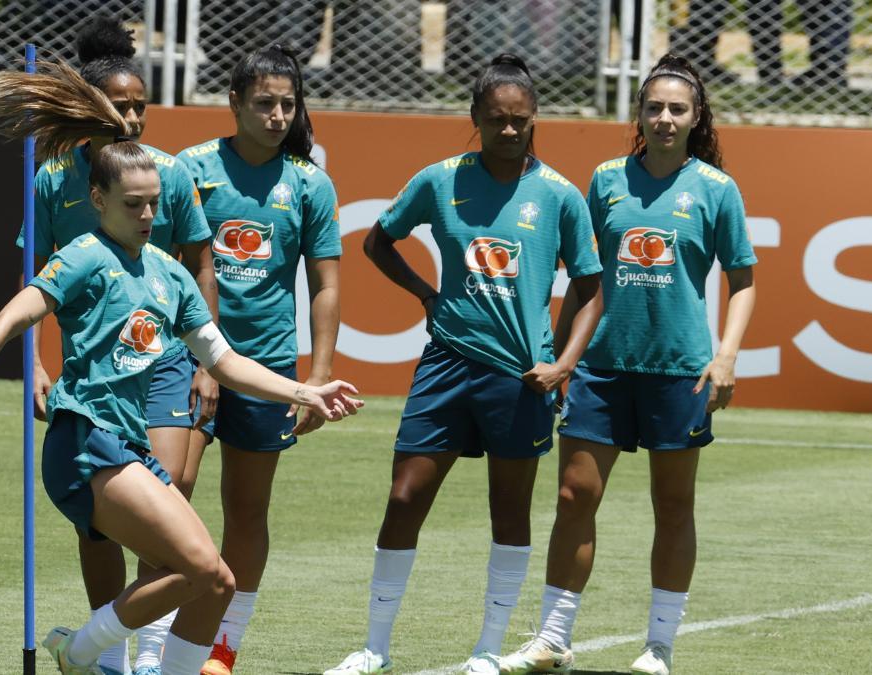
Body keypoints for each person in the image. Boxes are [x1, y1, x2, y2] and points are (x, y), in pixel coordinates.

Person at [0, 64, 364, 675]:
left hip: (131, 448)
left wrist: (305, 388)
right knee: (198, 567)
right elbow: (9, 318)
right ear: (100, 200)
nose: (146, 216)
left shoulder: (169, 271)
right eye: (132, 204)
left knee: (213, 579)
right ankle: (85, 653)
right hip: (86, 443)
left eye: (154, 205)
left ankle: (95, 655)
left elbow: (225, 361)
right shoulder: (83, 256)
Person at [324, 53, 604, 675]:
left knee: (509, 510)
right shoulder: (440, 178)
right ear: (474, 118)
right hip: (446, 363)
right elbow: (378, 241)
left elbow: (591, 288)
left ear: (535, 120)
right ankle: (374, 647)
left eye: (520, 121)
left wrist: (564, 364)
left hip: (520, 376)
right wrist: (427, 295)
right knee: (404, 496)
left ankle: (487, 649)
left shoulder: (559, 194)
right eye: (496, 120)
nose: (509, 131)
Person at [498, 53, 756, 675]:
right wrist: (561, 359)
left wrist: (725, 356)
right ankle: (553, 640)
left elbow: (744, 281)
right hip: (601, 368)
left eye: (677, 109)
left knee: (673, 507)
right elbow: (586, 280)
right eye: (654, 108)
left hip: (681, 371)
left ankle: (659, 647)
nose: (665, 119)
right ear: (638, 114)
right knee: (572, 495)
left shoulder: (717, 189)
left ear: (697, 118)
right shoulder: (607, 179)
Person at [15, 14, 219, 675]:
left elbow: (201, 261)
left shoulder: (172, 174)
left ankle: (149, 652)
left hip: (162, 364)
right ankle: (111, 658)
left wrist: (207, 362)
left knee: (165, 506)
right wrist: (36, 360)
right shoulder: (52, 178)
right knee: (96, 522)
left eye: (140, 107)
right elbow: (33, 275)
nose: (132, 118)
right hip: (92, 371)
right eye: (119, 106)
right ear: (94, 108)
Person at [175, 44, 343, 675]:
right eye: (264, 103)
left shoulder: (309, 181)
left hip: (267, 370)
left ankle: (224, 646)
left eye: (287, 104)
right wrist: (194, 357)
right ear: (235, 104)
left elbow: (326, 284)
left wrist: (318, 377)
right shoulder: (191, 168)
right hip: (189, 363)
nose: (277, 115)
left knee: (247, 512)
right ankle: (160, 643)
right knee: (173, 495)